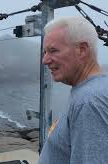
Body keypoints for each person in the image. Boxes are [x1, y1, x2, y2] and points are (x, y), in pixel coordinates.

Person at [38, 16, 108, 164]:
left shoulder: (88, 101)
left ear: (82, 50)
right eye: (45, 52)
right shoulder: (96, 89)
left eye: (53, 50)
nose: (45, 60)